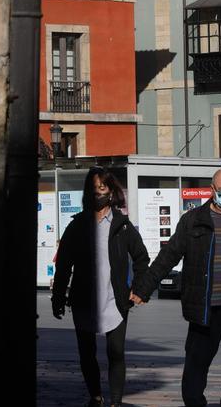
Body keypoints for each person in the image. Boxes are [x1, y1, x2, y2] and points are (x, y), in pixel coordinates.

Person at [130, 168, 221, 407]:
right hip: (205, 308)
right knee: (196, 366)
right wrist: (144, 288)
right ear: (213, 190)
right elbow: (169, 255)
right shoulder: (193, 220)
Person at [51, 168, 149, 407]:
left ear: (112, 192)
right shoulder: (76, 226)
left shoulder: (122, 226)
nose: (98, 195)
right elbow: (63, 264)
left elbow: (141, 258)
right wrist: (57, 298)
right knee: (87, 353)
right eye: (93, 190)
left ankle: (115, 402)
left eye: (102, 189)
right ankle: (95, 396)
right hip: (84, 299)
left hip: (115, 299)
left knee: (116, 353)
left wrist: (138, 289)